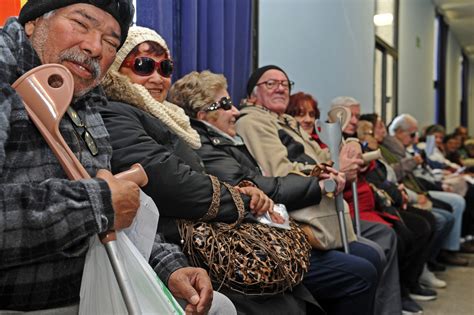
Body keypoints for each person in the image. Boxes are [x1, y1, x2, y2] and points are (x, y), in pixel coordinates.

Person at [0, 2, 227, 314]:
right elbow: (106, 203)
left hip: (98, 282)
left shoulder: (87, 97)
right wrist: (96, 205)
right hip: (30, 302)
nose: (94, 47)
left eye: (110, 41)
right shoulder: (5, 70)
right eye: (81, 23)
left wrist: (168, 267)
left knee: (219, 307)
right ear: (33, 21)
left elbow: (121, 208)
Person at [99, 26, 310, 314]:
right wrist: (242, 200)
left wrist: (239, 191)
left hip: (197, 235)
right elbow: (170, 181)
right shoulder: (116, 112)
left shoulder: (170, 119)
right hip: (172, 243)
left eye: (165, 67)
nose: (158, 77)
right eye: (144, 65)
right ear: (117, 69)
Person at [235, 65, 402, 315]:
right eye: (270, 83)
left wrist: (353, 144)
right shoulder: (254, 121)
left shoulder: (287, 121)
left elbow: (325, 152)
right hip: (302, 218)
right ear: (252, 95)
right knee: (365, 265)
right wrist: (335, 169)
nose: (280, 87)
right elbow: (280, 170)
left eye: (285, 83)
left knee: (373, 255)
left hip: (325, 217)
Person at [384, 114, 469, 267]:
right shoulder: (392, 148)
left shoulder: (406, 148)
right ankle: (434, 258)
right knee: (443, 212)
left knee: (450, 206)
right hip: (410, 191)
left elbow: (430, 168)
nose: (414, 137)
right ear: (399, 132)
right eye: (412, 134)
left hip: (418, 187)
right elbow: (393, 176)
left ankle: (443, 251)